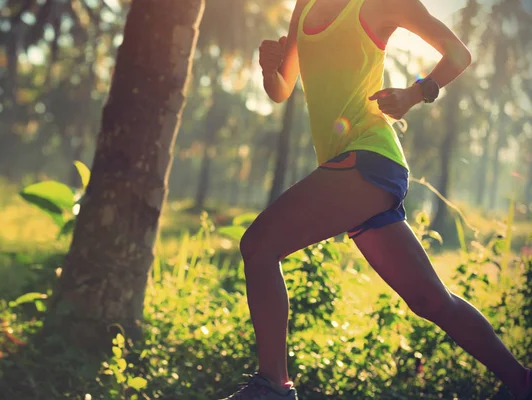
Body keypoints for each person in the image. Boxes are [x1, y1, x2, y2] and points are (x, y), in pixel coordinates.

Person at [220, 0, 531, 399]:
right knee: (431, 301)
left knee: (259, 246)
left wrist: (414, 94)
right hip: (350, 169)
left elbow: (459, 54)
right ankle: (522, 382)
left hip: (369, 157)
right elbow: (281, 89)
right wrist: (268, 67)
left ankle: (274, 387)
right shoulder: (305, 5)